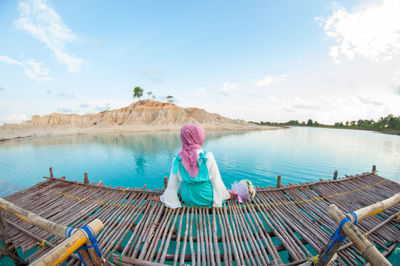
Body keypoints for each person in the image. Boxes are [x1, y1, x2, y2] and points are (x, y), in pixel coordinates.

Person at [152, 124, 235, 208]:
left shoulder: (178, 158)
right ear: (198, 136)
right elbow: (216, 181)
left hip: (187, 197)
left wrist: (163, 198)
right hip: (206, 196)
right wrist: (221, 199)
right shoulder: (208, 156)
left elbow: (172, 184)